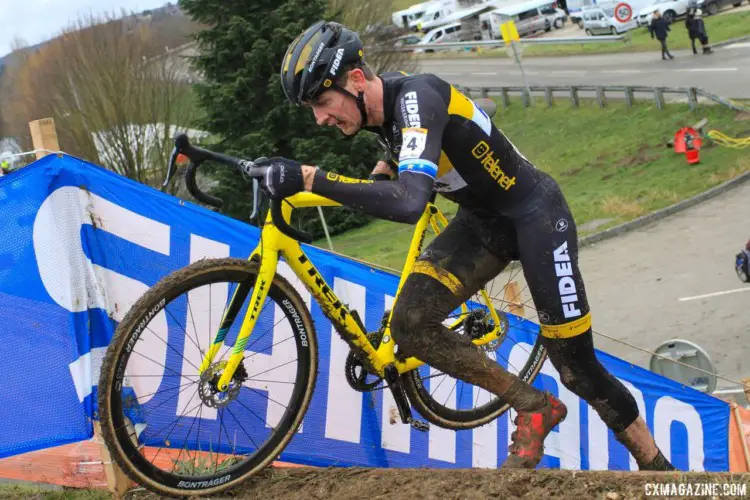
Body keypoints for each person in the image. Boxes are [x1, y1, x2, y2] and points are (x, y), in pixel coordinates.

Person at [262, 20, 676, 471]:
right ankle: (533, 405)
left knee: (577, 369)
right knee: (411, 324)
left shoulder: (416, 97)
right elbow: (395, 173)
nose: (320, 118)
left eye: (322, 102)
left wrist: (310, 178)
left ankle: (658, 468)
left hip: (536, 218)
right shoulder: (379, 113)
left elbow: (409, 201)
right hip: (482, 225)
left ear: (357, 81)